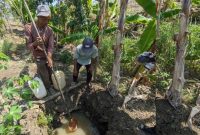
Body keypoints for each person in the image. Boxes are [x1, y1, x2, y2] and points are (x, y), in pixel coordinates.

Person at [24, 5, 54, 93]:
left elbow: (51, 46)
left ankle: (52, 82)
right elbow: (28, 46)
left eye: (47, 18)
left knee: (50, 69)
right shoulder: (28, 27)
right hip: (38, 55)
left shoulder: (49, 30)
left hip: (47, 54)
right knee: (43, 72)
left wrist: (49, 57)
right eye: (43, 18)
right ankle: (48, 87)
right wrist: (35, 43)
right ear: (37, 17)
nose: (46, 21)